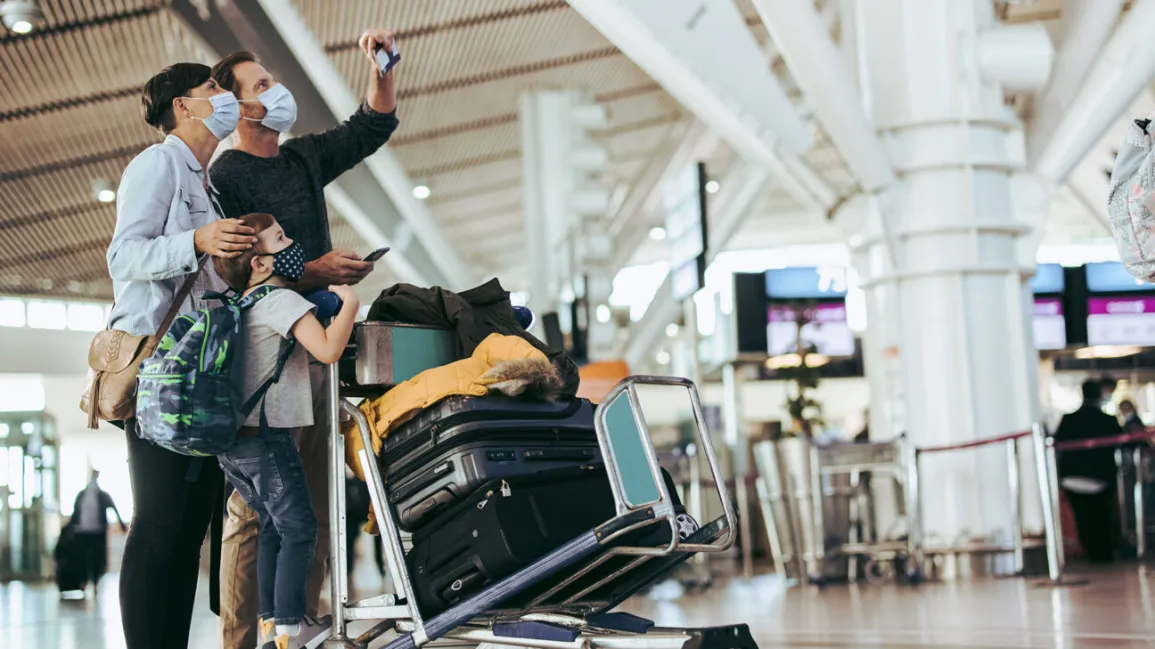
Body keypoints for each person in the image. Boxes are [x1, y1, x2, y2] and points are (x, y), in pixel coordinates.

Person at [208, 28, 399, 649]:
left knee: (310, 503)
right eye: (262, 85)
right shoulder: (225, 176)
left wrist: (382, 69)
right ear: (238, 107)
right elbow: (239, 265)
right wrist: (318, 270)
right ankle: (244, 636)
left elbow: (369, 127)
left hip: (312, 343)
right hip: (263, 356)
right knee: (256, 512)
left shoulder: (301, 158)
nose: (277, 90)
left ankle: (299, 622)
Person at [108, 61, 257, 649]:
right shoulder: (159, 163)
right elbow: (124, 257)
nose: (225, 97)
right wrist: (196, 240)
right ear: (184, 107)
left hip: (201, 373)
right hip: (158, 372)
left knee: (190, 527)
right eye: (213, 89)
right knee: (159, 525)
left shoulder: (207, 182)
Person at [213, 212, 361, 649]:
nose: (292, 242)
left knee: (273, 527)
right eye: (280, 238)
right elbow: (329, 350)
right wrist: (348, 304)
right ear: (259, 264)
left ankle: (270, 623)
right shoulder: (280, 301)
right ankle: (291, 629)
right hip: (270, 437)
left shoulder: (242, 303)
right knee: (299, 529)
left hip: (236, 442)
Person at [1053, 379, 1123, 563]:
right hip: (1101, 478)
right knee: (1101, 516)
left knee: (1083, 518)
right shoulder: (1107, 420)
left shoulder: (1069, 419)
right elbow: (1122, 441)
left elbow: (1058, 444)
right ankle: (1103, 553)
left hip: (1072, 477)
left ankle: (1092, 551)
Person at [70, 470, 125, 594]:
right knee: (86, 558)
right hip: (85, 532)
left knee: (95, 558)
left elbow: (113, 508)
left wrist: (121, 523)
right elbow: (76, 512)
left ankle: (93, 581)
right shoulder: (86, 495)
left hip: (94, 532)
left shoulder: (95, 495)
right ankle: (86, 582)